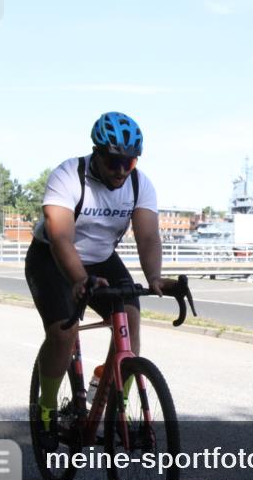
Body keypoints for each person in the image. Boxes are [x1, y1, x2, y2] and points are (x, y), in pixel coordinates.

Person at [25, 112, 166, 448]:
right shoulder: (69, 175)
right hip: (53, 257)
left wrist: (155, 278)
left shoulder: (138, 184)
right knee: (64, 331)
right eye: (113, 162)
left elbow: (148, 236)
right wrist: (78, 280)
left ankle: (113, 397)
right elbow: (60, 237)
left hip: (101, 259)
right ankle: (46, 409)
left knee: (129, 319)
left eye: (129, 162)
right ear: (96, 153)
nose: (121, 171)